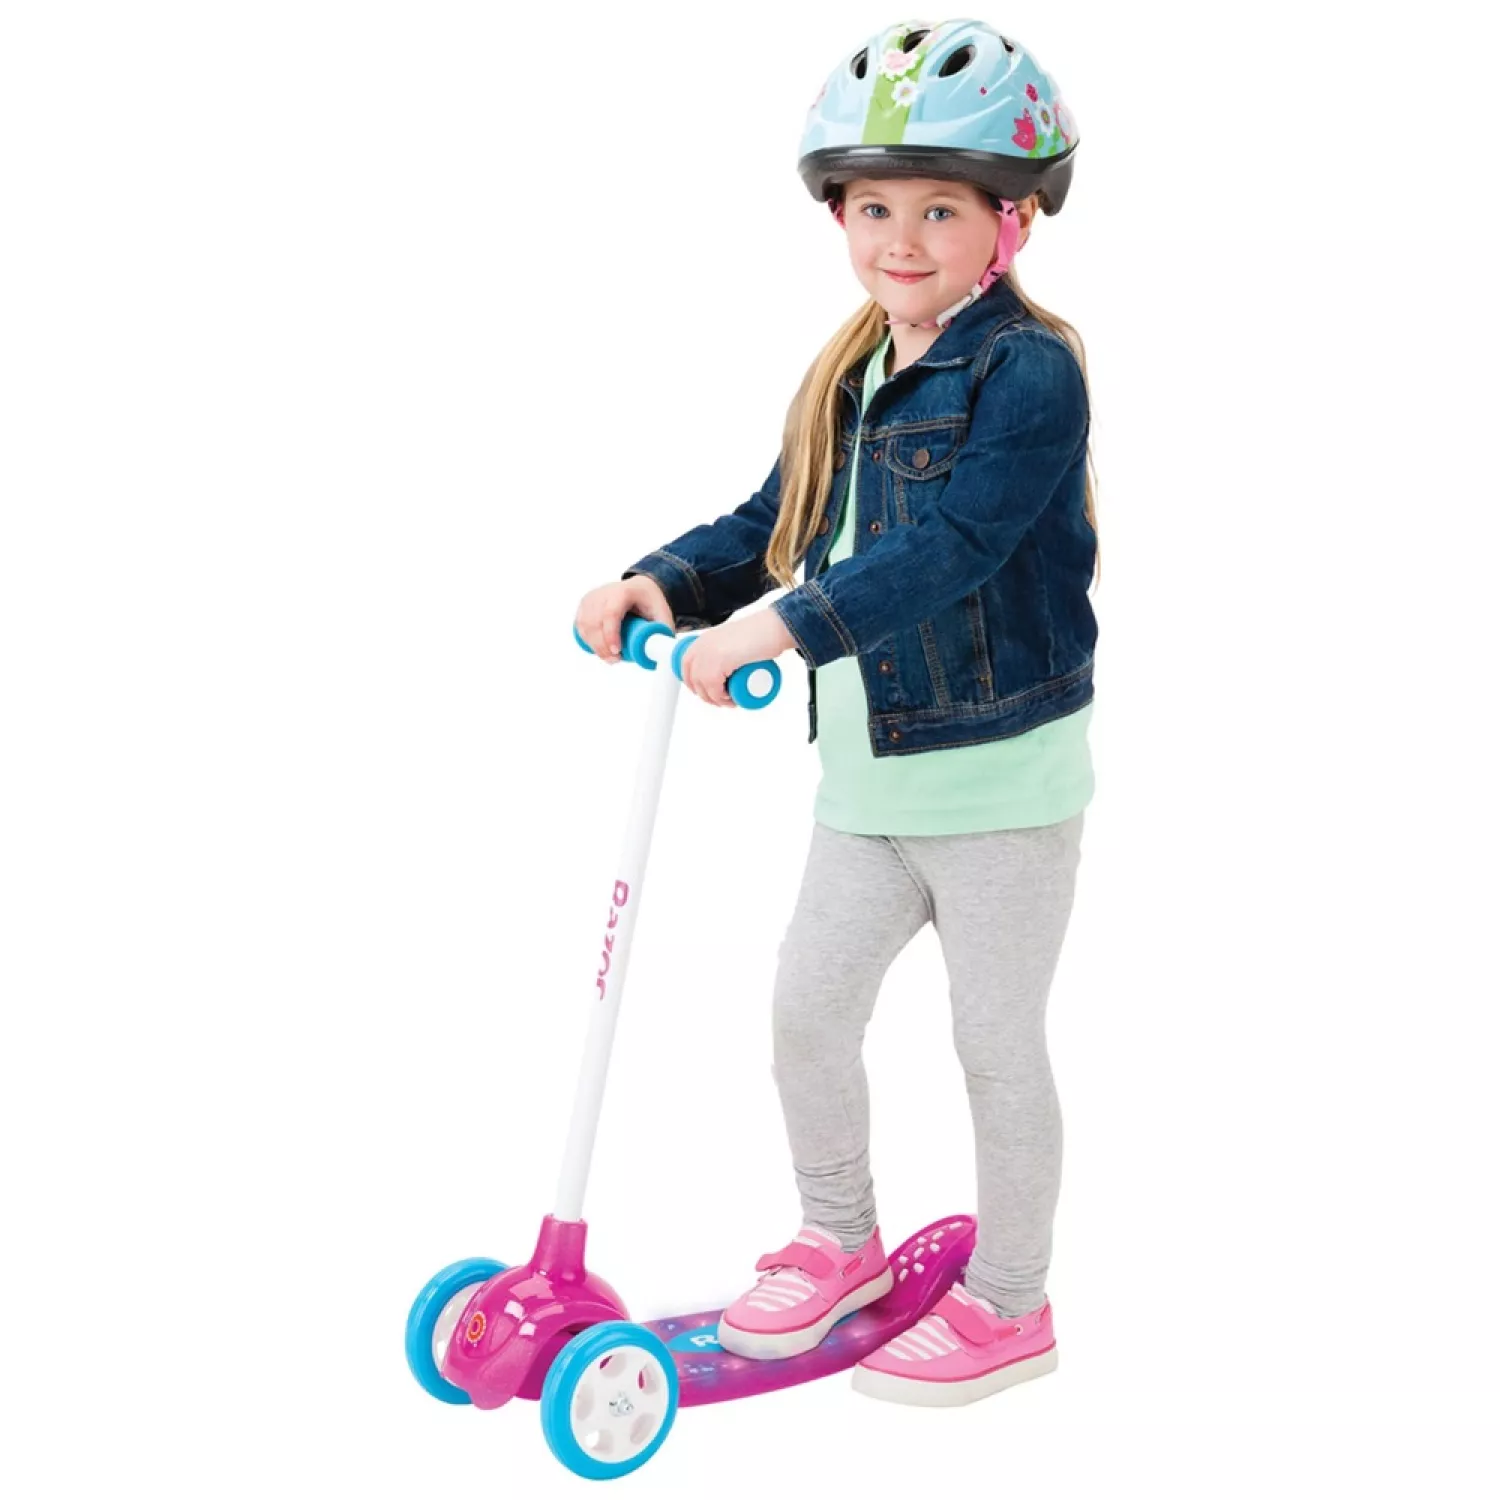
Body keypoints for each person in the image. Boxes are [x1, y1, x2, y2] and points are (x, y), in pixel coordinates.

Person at [574, 19, 1097, 1409]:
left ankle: (1013, 1304)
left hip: (997, 792)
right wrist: (664, 580)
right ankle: (840, 1240)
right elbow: (781, 518)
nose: (901, 239)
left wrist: (784, 626)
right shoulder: (853, 367)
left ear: (1012, 222)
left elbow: (957, 548)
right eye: (874, 208)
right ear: (838, 216)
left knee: (995, 1050)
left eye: (940, 210)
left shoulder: (1030, 373)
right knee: (805, 1016)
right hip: (869, 788)